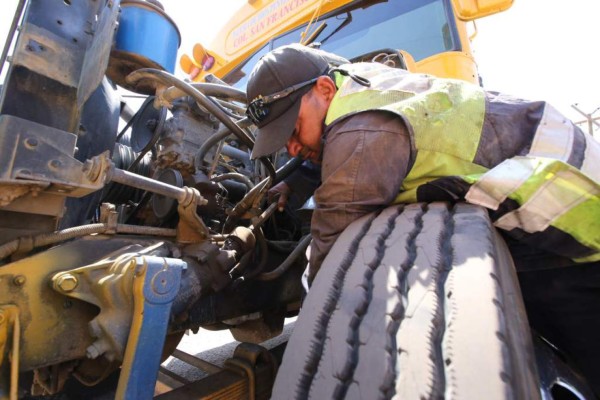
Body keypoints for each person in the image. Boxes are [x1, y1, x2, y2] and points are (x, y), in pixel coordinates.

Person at [246, 43, 600, 393]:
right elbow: (327, 150)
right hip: (546, 176)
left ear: (324, 90)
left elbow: (331, 247)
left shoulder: (361, 132)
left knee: (584, 344)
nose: (290, 147)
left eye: (293, 130)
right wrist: (292, 185)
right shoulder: (359, 83)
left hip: (572, 212)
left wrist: (313, 329)